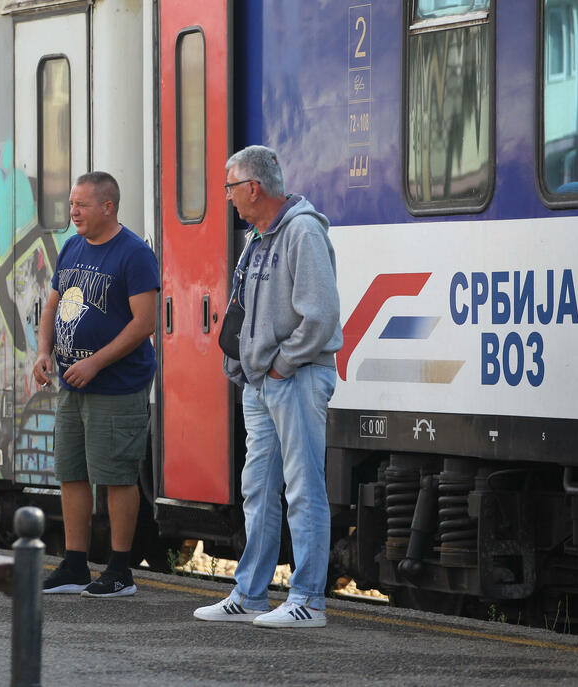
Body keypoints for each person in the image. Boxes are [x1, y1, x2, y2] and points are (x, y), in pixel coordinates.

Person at [193, 145, 342, 628]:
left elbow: (319, 316)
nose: (228, 198)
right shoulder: (258, 238)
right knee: (257, 487)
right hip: (263, 382)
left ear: (253, 188)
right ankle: (251, 594)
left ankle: (308, 601)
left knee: (302, 489)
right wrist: (244, 367)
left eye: (230, 188)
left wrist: (280, 365)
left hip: (294, 378)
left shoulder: (302, 231)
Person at [32, 172, 159, 598]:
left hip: (117, 385)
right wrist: (43, 352)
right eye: (72, 204)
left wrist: (95, 363)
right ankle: (74, 564)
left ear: (108, 207)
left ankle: (120, 570)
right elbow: (51, 305)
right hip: (73, 384)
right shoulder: (71, 247)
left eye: (81, 205)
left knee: (117, 476)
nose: (73, 212)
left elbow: (145, 323)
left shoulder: (135, 254)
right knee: (71, 472)